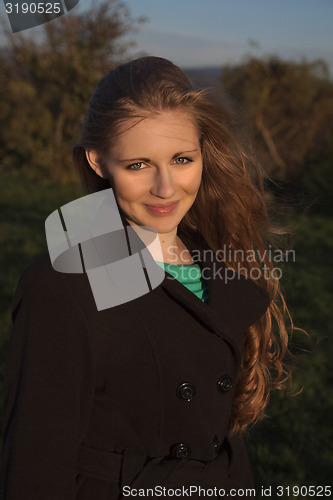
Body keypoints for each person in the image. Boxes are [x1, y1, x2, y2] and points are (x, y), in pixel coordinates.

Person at [0, 56, 292, 499]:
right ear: (99, 162)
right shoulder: (63, 283)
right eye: (138, 164)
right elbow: (35, 464)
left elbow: (220, 437)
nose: (166, 187)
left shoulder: (220, 261)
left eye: (181, 159)